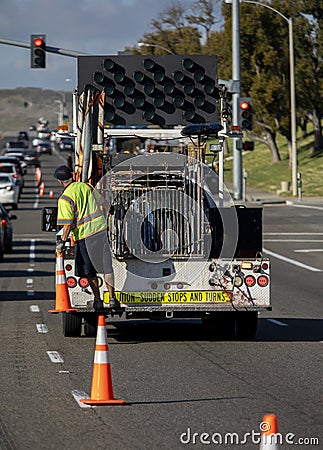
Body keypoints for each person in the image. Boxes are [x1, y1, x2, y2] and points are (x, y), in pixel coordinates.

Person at [53, 165, 120, 311]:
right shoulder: (86, 187)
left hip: (85, 237)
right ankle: (112, 298)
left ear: (60, 181)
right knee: (107, 268)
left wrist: (62, 243)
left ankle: (98, 300)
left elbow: (67, 225)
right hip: (101, 231)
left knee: (90, 271)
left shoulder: (65, 198)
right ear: (72, 175)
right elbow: (105, 203)